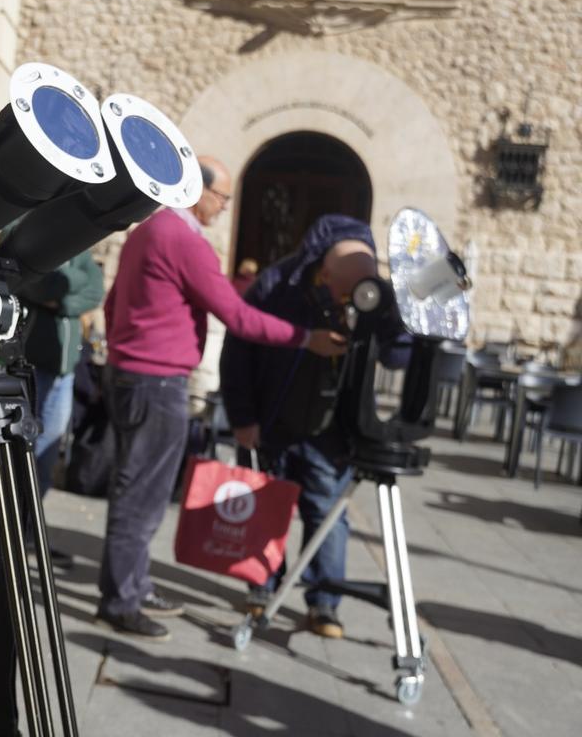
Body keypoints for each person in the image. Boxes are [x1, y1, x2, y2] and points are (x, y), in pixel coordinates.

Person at [95, 156, 347, 641]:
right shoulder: (183, 239)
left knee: (137, 488)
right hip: (157, 381)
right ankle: (120, 600)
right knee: (142, 496)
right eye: (222, 197)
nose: (225, 207)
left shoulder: (146, 230)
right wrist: (304, 338)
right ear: (197, 190)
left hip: (131, 374)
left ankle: (133, 584)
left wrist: (127, 348)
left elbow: (113, 303)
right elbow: (237, 315)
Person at [219, 215, 407, 639]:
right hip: (273, 417)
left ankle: (324, 603)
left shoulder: (373, 294)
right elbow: (239, 348)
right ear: (323, 270)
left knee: (326, 512)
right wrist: (242, 417)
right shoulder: (277, 283)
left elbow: (398, 356)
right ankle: (261, 586)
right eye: (341, 290)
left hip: (332, 428)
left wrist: (407, 316)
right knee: (266, 504)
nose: (346, 299)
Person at [0, 247, 105, 570]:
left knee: (44, 456)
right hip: (26, 364)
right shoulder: (35, 222)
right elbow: (38, 284)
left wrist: (61, 301)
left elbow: (95, 290)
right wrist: (65, 292)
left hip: (63, 370)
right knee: (6, 449)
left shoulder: (83, 235)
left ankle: (26, 531)